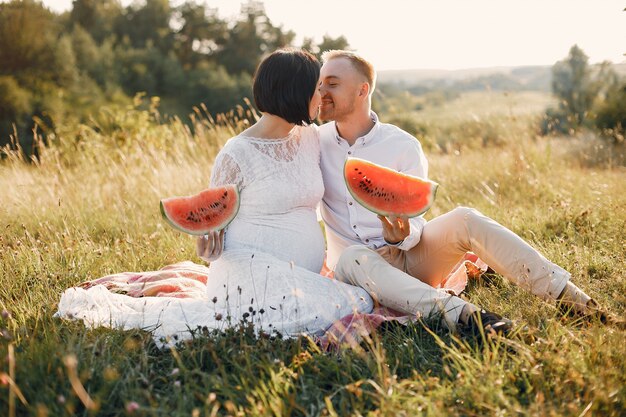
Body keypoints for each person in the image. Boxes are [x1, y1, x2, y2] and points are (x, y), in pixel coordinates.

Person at [57, 49, 373, 342]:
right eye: (316, 87)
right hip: (245, 273)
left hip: (298, 275)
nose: (322, 95)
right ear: (294, 91)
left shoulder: (310, 139)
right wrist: (205, 245)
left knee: (356, 301)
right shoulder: (237, 153)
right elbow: (212, 225)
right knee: (354, 302)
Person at [315, 49, 612, 334]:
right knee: (353, 255)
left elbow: (417, 220)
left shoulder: (402, 145)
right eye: (320, 83)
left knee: (465, 218)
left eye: (333, 83)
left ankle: (576, 303)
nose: (322, 91)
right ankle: (471, 318)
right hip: (354, 271)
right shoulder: (313, 143)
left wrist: (402, 236)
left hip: (406, 260)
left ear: (362, 90)